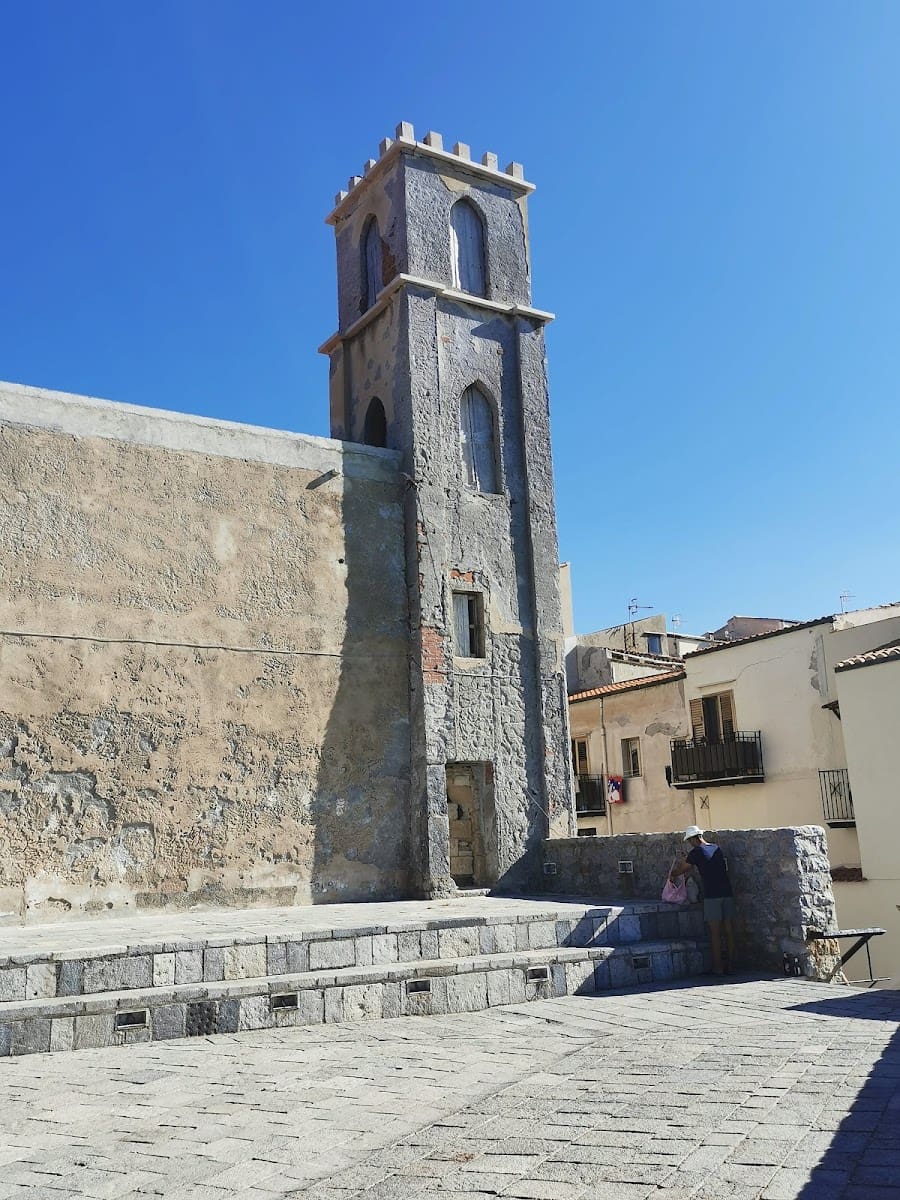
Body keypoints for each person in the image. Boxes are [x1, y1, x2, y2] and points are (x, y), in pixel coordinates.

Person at [670, 826, 735, 976]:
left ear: (693, 839)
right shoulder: (715, 848)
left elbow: (682, 869)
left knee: (715, 932)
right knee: (729, 930)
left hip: (712, 895)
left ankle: (718, 967)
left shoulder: (696, 852)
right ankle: (731, 966)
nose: (690, 844)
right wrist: (689, 857)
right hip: (727, 892)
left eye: (689, 841)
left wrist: (672, 874)